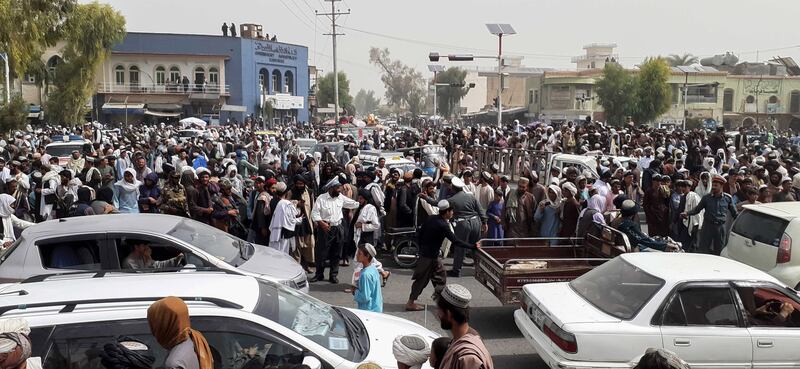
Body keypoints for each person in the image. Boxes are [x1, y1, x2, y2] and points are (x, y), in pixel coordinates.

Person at [406, 200, 477, 311]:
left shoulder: (431, 218)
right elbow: (455, 241)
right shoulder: (443, 225)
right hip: (429, 257)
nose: (453, 213)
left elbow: (420, 234)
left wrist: (421, 248)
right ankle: (410, 303)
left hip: (430, 255)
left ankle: (441, 302)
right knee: (422, 280)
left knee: (440, 276)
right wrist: (473, 246)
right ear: (447, 212)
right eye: (451, 211)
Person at [310, 178, 359, 284]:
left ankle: (333, 275)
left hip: (338, 227)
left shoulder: (340, 198)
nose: (340, 190)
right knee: (321, 252)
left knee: (336, 252)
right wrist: (321, 223)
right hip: (325, 228)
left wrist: (363, 203)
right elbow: (314, 213)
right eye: (337, 188)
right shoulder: (321, 198)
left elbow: (352, 203)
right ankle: (319, 274)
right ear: (331, 188)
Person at [436, 284, 494, 369]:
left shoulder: (469, 358)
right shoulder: (466, 336)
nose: (438, 314)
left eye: (439, 310)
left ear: (449, 313)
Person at [147, 296, 213, 369]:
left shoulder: (174, 364)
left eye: (153, 323)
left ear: (164, 325)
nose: (152, 330)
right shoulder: (194, 339)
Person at [682, 175, 737, 255]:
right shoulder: (706, 198)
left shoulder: (728, 198)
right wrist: (687, 213)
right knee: (703, 249)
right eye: (713, 185)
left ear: (721, 186)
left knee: (720, 249)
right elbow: (697, 210)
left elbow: (734, 213)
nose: (713, 187)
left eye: (716, 185)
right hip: (707, 226)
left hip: (720, 227)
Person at [447, 177, 487, 278]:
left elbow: (439, 204)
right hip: (476, 223)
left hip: (463, 224)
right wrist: (484, 222)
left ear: (453, 188)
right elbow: (480, 210)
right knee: (476, 247)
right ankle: (481, 269)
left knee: (460, 247)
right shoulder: (471, 197)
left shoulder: (452, 200)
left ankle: (456, 271)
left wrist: (426, 198)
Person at [268, 182, 303, 254]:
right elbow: (290, 221)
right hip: (283, 235)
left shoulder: (273, 201)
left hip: (275, 234)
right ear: (286, 192)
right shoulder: (286, 204)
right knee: (282, 255)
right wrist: (300, 219)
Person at [353, 243, 383, 313]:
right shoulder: (373, 269)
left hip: (369, 310)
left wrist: (355, 291)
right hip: (376, 307)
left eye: (359, 254)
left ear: (367, 256)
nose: (357, 255)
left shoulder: (365, 274)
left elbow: (365, 297)